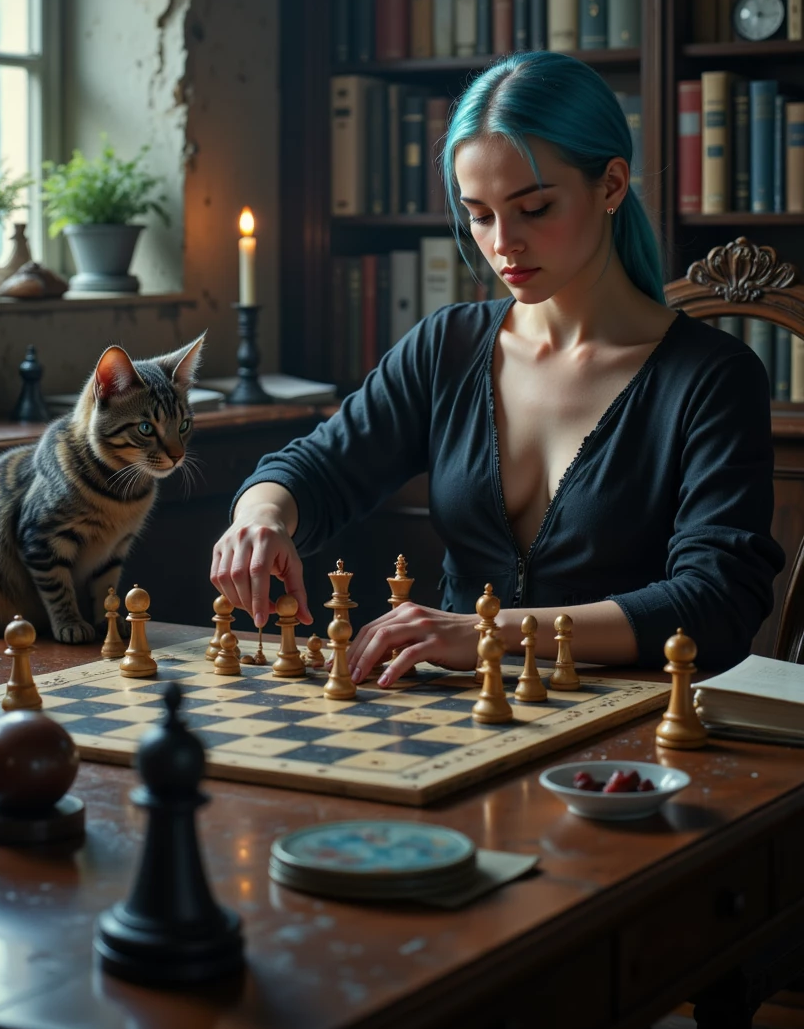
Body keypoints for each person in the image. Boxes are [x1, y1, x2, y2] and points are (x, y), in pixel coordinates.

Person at [211, 52, 784, 683]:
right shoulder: (446, 346)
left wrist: (486, 633)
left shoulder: (712, 378)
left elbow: (717, 602)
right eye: (479, 215)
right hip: (460, 711)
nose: (503, 243)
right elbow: (317, 469)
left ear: (612, 185)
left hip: (629, 716)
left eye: (533, 208)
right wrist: (261, 516)